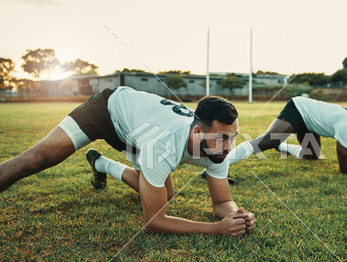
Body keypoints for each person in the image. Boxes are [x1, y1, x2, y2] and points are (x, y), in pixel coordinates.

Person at [0, 86, 255, 237]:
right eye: (222, 138)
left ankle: (100, 164)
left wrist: (236, 216)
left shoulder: (218, 148)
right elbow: (154, 222)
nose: (228, 147)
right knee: (36, 159)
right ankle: (101, 163)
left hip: (137, 131)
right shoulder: (162, 145)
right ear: (198, 132)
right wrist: (215, 229)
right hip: (107, 110)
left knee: (165, 194)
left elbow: (222, 201)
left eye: (232, 138)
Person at [227, 94, 347, 175]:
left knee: (311, 156)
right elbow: (346, 169)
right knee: (267, 141)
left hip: (311, 125)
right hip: (300, 109)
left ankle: (281, 146)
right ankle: (220, 164)